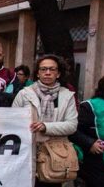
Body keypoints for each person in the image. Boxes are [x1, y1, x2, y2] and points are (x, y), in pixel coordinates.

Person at [12, 54, 78, 187]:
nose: (47, 73)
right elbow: (13, 122)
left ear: (58, 73)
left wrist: (45, 127)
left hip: (56, 155)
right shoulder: (24, 94)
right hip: (27, 152)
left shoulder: (67, 96)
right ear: (37, 73)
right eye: (43, 69)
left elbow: (72, 125)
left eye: (52, 69)